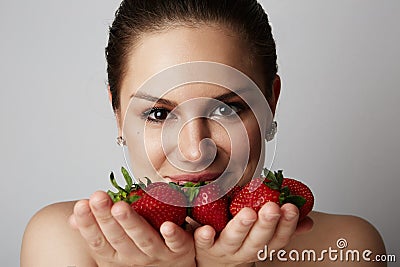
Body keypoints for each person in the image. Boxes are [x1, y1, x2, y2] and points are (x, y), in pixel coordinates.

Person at [20, 0, 387, 266]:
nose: (196, 151)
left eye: (226, 109)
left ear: (270, 103)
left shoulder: (347, 249)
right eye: (159, 113)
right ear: (118, 114)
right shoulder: (61, 242)